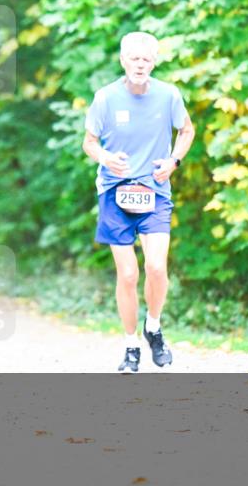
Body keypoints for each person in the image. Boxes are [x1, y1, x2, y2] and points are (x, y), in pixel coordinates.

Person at [82, 32, 195, 373]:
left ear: (155, 62)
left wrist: (173, 161)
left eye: (146, 59)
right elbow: (89, 142)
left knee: (157, 267)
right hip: (115, 193)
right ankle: (131, 345)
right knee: (128, 274)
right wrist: (105, 157)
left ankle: (154, 327)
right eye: (134, 58)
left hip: (155, 192)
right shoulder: (105, 98)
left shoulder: (168, 95)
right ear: (123, 61)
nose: (140, 64)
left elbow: (187, 130)